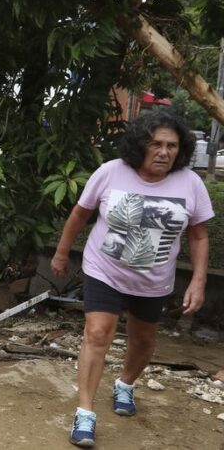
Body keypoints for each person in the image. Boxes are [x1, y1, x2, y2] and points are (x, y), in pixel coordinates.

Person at [51, 111, 212, 447]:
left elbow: (198, 235)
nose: (164, 152)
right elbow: (80, 214)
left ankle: (125, 383)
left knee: (142, 343)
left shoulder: (190, 183)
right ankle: (85, 413)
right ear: (141, 145)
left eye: (172, 145)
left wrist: (198, 281)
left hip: (153, 280)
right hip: (104, 270)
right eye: (156, 144)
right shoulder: (111, 172)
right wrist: (62, 253)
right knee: (97, 334)